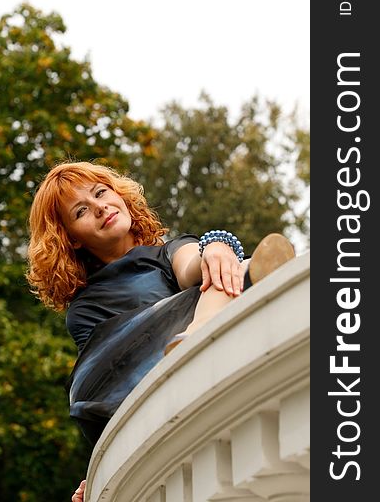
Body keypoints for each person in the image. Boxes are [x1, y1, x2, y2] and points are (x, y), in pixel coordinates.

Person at [26, 160, 295, 502]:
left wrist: (213, 249)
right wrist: (97, 471)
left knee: (224, 274)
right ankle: (199, 333)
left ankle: (198, 335)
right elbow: (107, 373)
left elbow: (188, 266)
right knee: (222, 283)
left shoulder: (166, 253)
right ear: (73, 239)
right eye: (82, 211)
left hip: (194, 348)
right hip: (138, 375)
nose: (100, 207)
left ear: (119, 195)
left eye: (101, 193)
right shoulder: (84, 309)